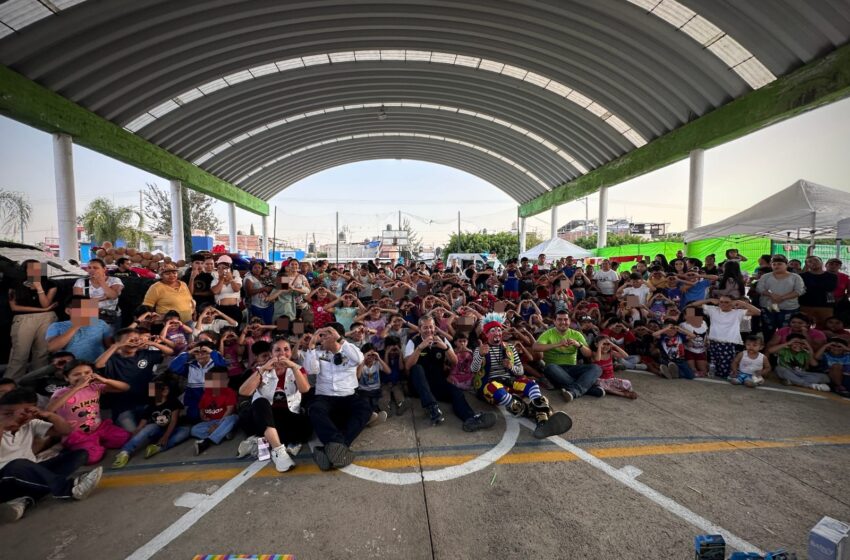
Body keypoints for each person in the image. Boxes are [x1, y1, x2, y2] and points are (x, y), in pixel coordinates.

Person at [0, 388, 102, 522]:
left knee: (80, 455)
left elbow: (66, 430)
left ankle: (25, 499)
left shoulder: (31, 424)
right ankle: (68, 490)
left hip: (29, 475)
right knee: (17, 465)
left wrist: (49, 415)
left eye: (26, 411)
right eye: (7, 413)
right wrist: (2, 425)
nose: (15, 416)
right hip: (4, 480)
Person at [471, 314, 570, 439]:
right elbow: (473, 370)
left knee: (532, 385)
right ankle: (536, 414)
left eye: (499, 330)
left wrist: (511, 366)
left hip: (509, 380)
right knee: (496, 390)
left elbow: (520, 371)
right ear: (487, 334)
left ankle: (542, 423)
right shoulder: (480, 349)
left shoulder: (510, 347)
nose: (497, 332)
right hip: (490, 383)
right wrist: (480, 355)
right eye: (493, 330)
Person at [300, 323, 374, 471]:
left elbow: (359, 359)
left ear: (336, 336)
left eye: (326, 335)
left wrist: (340, 340)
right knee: (315, 409)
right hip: (325, 396)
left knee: (365, 408)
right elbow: (310, 369)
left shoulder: (350, 350)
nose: (322, 339)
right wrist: (312, 345)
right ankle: (339, 446)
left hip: (348, 395)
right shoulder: (319, 353)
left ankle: (330, 449)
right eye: (321, 335)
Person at [404, 316, 496, 432]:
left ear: (434, 327)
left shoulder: (441, 339)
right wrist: (420, 348)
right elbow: (408, 366)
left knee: (456, 392)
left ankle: (470, 418)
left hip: (437, 383)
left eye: (431, 327)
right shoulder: (413, 342)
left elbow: (454, 362)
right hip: (418, 386)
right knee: (416, 368)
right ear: (419, 329)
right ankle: (432, 408)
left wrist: (445, 347)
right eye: (425, 328)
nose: (429, 330)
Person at [238, 338, 312, 471]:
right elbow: (244, 392)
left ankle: (262, 441)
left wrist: (294, 367)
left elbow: (304, 389)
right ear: (271, 354)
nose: (282, 353)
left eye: (286, 349)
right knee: (260, 402)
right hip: (264, 415)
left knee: (306, 431)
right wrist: (263, 369)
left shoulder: (298, 369)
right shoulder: (261, 370)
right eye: (277, 350)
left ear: (291, 352)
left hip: (287, 415)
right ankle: (279, 451)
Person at [47, 360, 131, 465]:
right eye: (77, 374)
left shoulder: (94, 386)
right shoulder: (61, 393)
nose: (83, 377)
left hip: (98, 428)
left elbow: (125, 387)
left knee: (124, 438)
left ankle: (94, 442)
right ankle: (83, 446)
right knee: (91, 458)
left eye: (87, 373)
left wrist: (104, 380)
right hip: (76, 433)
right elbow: (49, 410)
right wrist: (78, 387)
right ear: (66, 378)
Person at [95, 327, 173, 431]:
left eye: (136, 339)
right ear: (118, 342)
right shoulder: (112, 359)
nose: (133, 342)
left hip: (147, 402)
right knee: (133, 433)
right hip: (123, 407)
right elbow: (98, 365)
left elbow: (170, 352)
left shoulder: (144, 354)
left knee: (160, 425)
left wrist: (152, 343)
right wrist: (116, 346)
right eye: (129, 339)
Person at [111, 375, 191, 467]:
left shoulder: (173, 402)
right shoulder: (150, 406)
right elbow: (142, 425)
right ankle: (125, 452)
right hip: (156, 431)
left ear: (166, 391)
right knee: (150, 427)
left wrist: (165, 436)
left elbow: (173, 421)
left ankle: (157, 448)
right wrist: (135, 434)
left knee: (186, 431)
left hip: (171, 431)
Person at [533, 310, 602, 401]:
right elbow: (535, 347)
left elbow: (589, 354)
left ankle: (574, 391)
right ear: (555, 321)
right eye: (560, 319)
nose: (563, 322)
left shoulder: (576, 334)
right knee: (549, 367)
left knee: (596, 368)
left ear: (569, 321)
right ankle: (588, 389)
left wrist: (579, 345)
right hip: (555, 369)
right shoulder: (548, 333)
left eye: (565, 319)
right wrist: (557, 344)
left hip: (572, 368)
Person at [7, 260, 58, 380]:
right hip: (24, 319)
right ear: (25, 270)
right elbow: (14, 307)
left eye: (39, 268)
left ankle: (38, 383)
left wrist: (39, 288)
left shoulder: (50, 284)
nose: (36, 271)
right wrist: (42, 310)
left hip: (46, 318)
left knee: (42, 353)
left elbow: (46, 304)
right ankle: (10, 384)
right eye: (32, 268)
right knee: (20, 354)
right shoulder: (15, 284)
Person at [688, 296, 760, 378]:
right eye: (721, 302)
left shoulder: (738, 312)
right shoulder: (713, 309)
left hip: (728, 344)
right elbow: (692, 306)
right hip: (713, 342)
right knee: (713, 369)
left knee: (725, 372)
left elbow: (758, 312)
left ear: (732, 303)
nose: (723, 304)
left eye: (727, 302)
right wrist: (710, 300)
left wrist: (741, 302)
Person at [46, 296, 113, 362]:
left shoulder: (101, 323)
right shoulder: (57, 326)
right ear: (68, 311)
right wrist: (77, 324)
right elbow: (52, 348)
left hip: (96, 364)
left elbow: (109, 346)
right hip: (70, 366)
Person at [754, 255, 805, 338]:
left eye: (779, 264)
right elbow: (759, 289)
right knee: (768, 329)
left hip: (788, 307)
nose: (776, 266)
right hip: (768, 307)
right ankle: (768, 348)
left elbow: (799, 291)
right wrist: (771, 295)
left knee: (786, 330)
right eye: (774, 264)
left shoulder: (795, 277)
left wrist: (782, 298)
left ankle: (784, 348)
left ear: (786, 265)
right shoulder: (765, 276)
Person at [191, 368, 238, 455]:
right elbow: (202, 409)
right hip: (211, 422)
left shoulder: (228, 392)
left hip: (224, 420)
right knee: (194, 430)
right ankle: (223, 434)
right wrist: (203, 416)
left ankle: (207, 441)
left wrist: (218, 425)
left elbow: (230, 410)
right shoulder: (207, 392)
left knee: (233, 418)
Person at [73, 258, 124, 332]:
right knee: (77, 312)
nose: (91, 270)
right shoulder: (81, 282)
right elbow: (78, 302)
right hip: (87, 313)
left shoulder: (114, 280)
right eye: (89, 268)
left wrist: (101, 282)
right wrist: (103, 298)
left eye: (95, 268)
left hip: (109, 313)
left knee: (108, 338)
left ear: (104, 269)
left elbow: (113, 296)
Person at [798, 255, 837, 328]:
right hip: (806, 305)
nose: (813, 263)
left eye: (816, 260)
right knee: (803, 326)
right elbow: (800, 290)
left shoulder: (832, 276)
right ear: (807, 265)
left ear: (822, 262)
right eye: (810, 261)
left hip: (825, 306)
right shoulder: (802, 276)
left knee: (826, 327)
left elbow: (830, 289)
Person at [210, 256, 243, 325]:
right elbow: (215, 291)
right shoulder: (215, 280)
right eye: (218, 268)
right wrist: (221, 279)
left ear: (229, 269)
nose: (220, 270)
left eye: (224, 268)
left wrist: (231, 279)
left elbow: (236, 289)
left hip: (234, 308)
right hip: (220, 309)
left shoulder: (237, 278)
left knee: (235, 329)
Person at [243, 261, 274, 325]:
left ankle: (267, 335)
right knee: (258, 324)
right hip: (256, 305)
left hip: (268, 305)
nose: (257, 269)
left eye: (259, 268)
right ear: (251, 268)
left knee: (268, 323)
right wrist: (263, 289)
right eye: (255, 268)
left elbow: (272, 287)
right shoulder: (249, 278)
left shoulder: (264, 277)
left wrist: (269, 289)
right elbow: (249, 292)